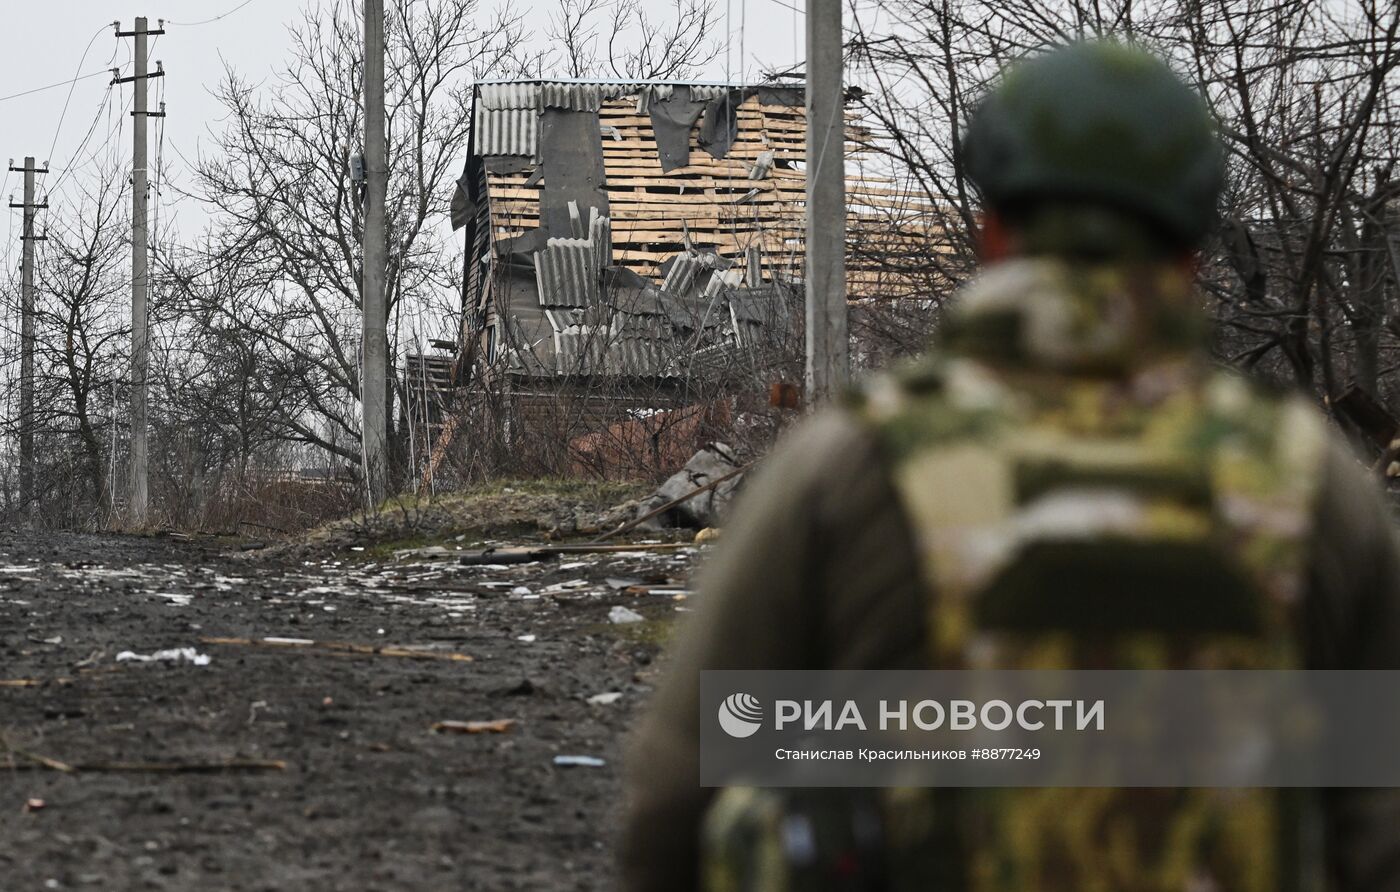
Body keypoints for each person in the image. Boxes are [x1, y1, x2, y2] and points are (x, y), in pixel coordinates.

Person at [621, 41, 1400, 892]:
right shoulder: (1314, 487)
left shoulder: (854, 468)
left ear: (993, 233)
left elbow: (677, 802)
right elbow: (1377, 826)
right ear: (1191, 257)